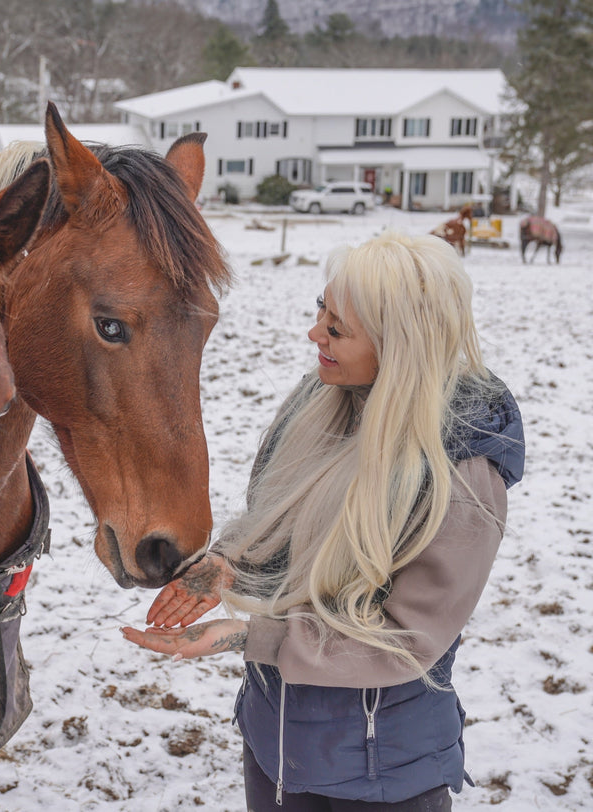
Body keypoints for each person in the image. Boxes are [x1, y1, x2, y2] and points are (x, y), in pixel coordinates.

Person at [122, 230, 524, 811]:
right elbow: (275, 518)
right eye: (321, 310)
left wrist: (245, 636)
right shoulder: (320, 399)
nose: (315, 334)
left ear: (399, 345)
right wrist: (228, 564)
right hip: (276, 744)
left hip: (381, 770)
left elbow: (406, 642)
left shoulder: (460, 475)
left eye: (337, 329)